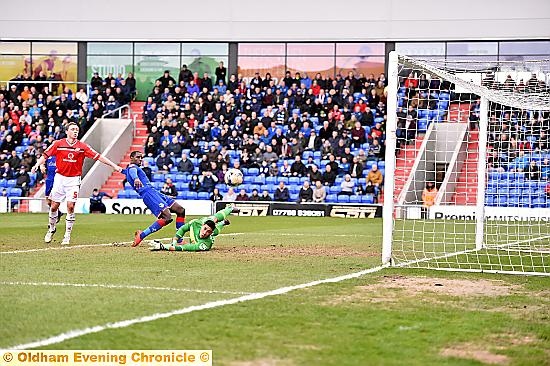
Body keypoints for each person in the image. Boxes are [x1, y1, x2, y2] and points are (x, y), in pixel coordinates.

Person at [31, 122, 122, 245]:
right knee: (53, 206)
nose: (75, 131)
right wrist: (37, 164)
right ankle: (51, 229)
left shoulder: (82, 147)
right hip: (59, 179)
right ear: (67, 131)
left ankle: (67, 235)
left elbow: (99, 157)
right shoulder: (58, 144)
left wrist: (114, 165)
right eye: (73, 129)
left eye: (77, 130)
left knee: (70, 206)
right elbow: (45, 155)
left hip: (73, 180)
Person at [123, 151, 186, 247]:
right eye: (138, 157)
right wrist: (136, 178)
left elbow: (123, 170)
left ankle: (179, 240)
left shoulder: (129, 170)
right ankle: (142, 235)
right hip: (148, 194)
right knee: (167, 217)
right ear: (131, 157)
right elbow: (132, 171)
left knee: (180, 210)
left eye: (141, 157)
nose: (140, 159)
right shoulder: (132, 167)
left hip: (154, 192)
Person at [149, 205, 239, 252]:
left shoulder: (204, 245)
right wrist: (174, 241)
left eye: (208, 232)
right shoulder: (196, 223)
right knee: (213, 218)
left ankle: (223, 223)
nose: (204, 233)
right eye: (204, 229)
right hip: (205, 221)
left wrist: (163, 246)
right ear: (202, 225)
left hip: (212, 231)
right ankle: (229, 209)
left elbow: (185, 247)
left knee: (217, 229)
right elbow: (183, 229)